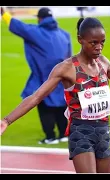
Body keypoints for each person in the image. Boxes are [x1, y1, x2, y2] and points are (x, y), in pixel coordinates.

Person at [1, 17, 110, 173]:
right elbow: (36, 97)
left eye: (102, 42)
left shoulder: (103, 63)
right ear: (80, 40)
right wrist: (7, 120)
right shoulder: (66, 68)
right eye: (94, 43)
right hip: (81, 131)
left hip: (104, 129)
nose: (99, 47)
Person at [1, 7, 72, 144]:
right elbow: (69, 57)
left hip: (43, 75)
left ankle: (50, 137)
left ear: (40, 18)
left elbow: (17, 25)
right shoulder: (64, 34)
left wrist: (4, 14)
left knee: (43, 102)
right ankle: (64, 134)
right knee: (61, 102)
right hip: (63, 75)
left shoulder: (35, 32)